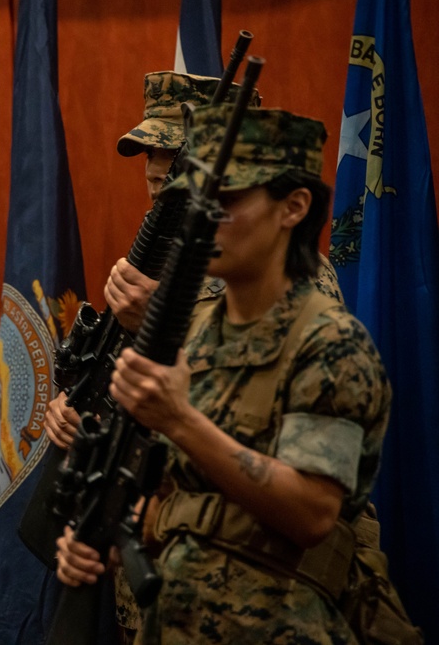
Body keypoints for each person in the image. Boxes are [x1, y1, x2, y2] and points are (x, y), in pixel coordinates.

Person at [56, 104, 391, 644]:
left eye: (228, 200)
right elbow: (176, 487)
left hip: (281, 625)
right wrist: (109, 537)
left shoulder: (329, 343)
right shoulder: (197, 333)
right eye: (196, 199)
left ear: (294, 207)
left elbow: (311, 514)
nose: (203, 216)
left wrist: (181, 420)